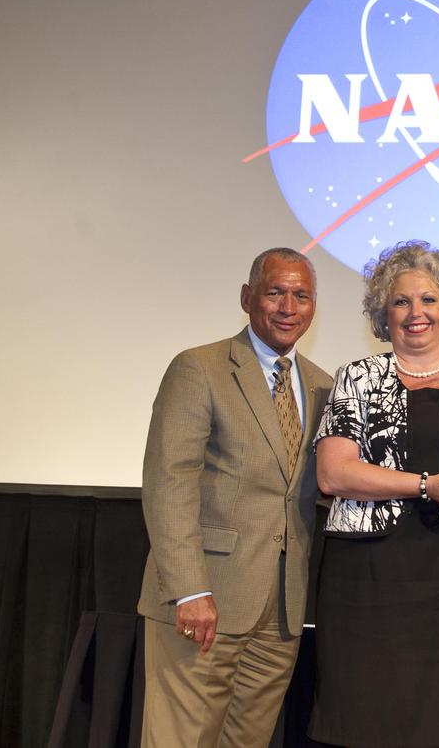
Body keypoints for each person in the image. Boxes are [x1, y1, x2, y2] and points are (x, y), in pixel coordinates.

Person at [309, 240, 439, 748]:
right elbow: (334, 475)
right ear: (383, 314)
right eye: (401, 302)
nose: (415, 313)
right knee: (362, 720)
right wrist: (426, 485)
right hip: (367, 576)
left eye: (428, 300)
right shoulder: (356, 377)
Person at [137, 247, 333, 746]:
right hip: (206, 600)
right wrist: (189, 589)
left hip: (281, 614)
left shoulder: (322, 386)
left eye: (301, 295)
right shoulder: (199, 368)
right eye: (275, 292)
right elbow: (169, 480)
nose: (288, 306)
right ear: (248, 298)